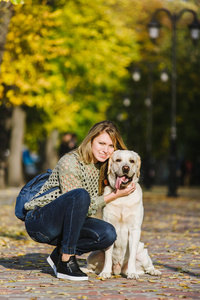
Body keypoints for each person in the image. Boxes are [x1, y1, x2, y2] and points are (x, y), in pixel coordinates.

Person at [24, 120, 136, 281]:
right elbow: (80, 203)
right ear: (90, 140)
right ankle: (66, 262)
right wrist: (114, 195)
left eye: (111, 146)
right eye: (101, 143)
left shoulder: (104, 167)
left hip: (66, 222)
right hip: (41, 220)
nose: (106, 150)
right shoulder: (71, 162)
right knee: (80, 195)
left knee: (108, 234)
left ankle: (58, 255)